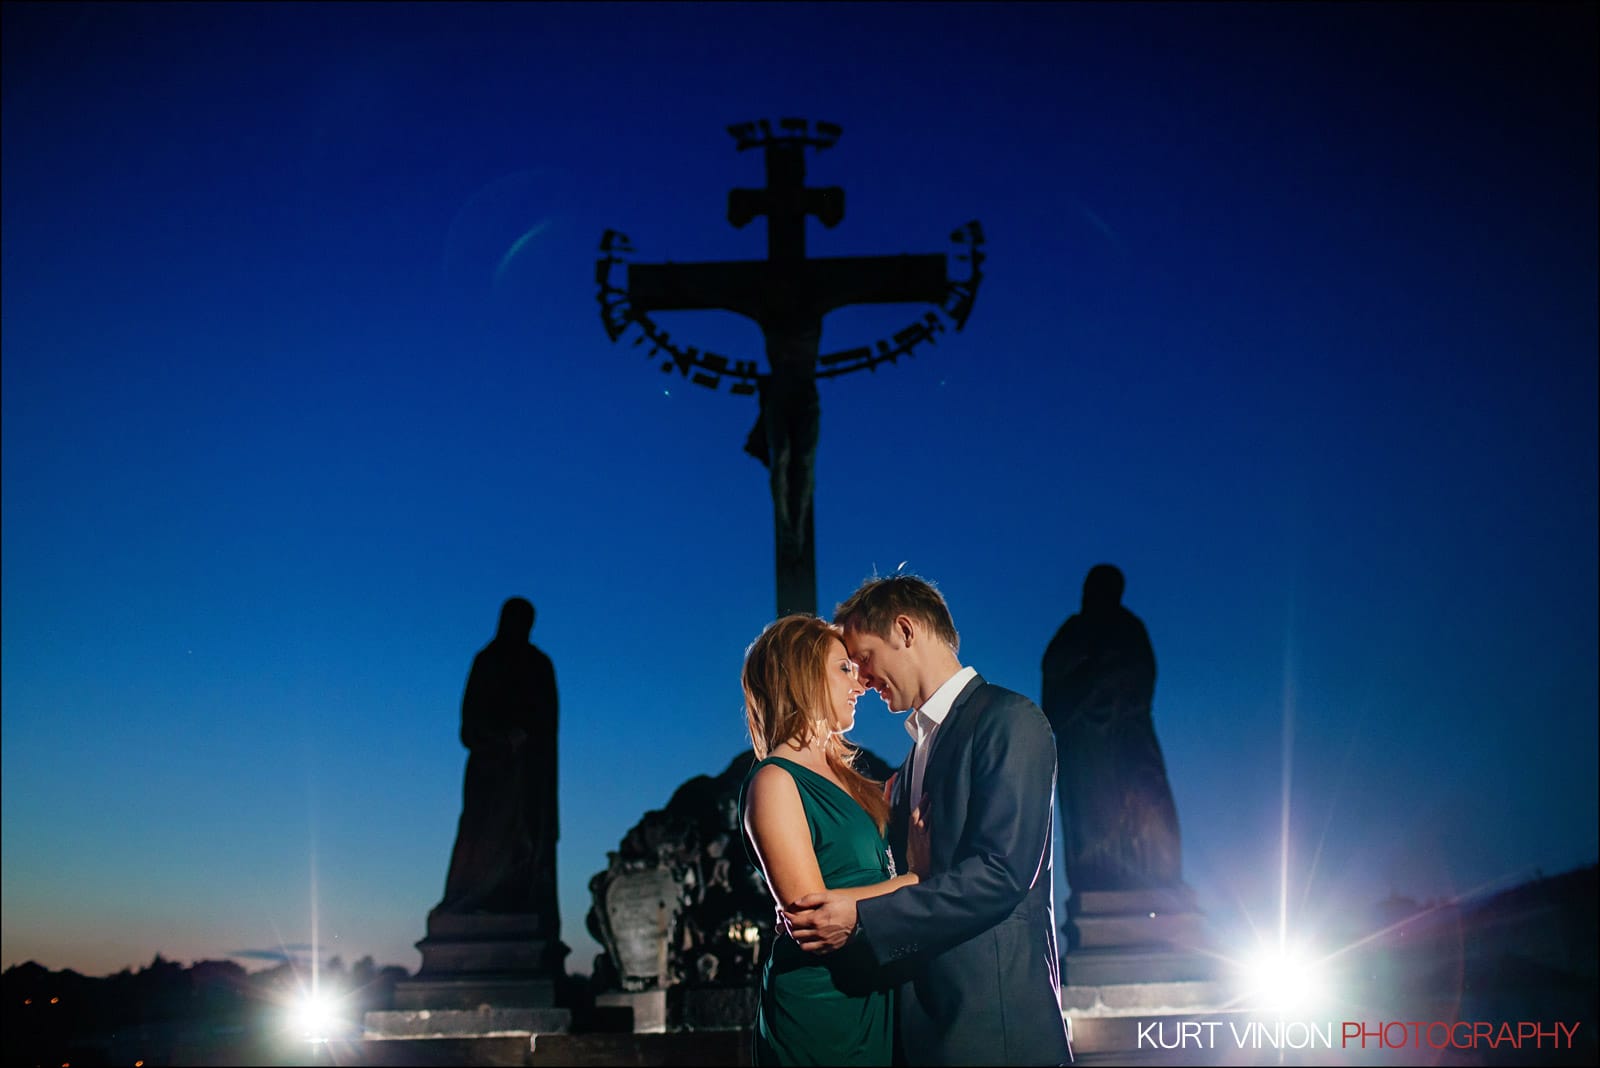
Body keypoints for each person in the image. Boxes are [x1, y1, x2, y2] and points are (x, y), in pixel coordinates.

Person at [784, 575, 1071, 1066]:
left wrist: (861, 918)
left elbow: (1000, 876)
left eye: (865, 659)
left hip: (995, 1031)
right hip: (926, 1033)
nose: (863, 679)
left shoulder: (1010, 719)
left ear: (904, 630)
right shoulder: (912, 759)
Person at [739, 613, 923, 1065]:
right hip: (820, 1007)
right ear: (800, 676)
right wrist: (918, 882)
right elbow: (813, 917)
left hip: (874, 990)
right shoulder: (775, 781)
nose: (860, 682)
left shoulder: (854, 779)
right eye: (844, 668)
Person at [1042, 564, 1181, 896]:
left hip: (1127, 737)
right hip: (1087, 747)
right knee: (1096, 815)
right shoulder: (1072, 633)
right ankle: (1099, 879)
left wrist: (1112, 692)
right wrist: (1091, 693)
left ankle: (1160, 875)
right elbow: (1055, 691)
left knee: (1149, 800)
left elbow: (1142, 678)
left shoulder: (1129, 628)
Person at [432, 596, 561, 942]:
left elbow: (548, 725)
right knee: (480, 835)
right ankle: (468, 899)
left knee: (523, 837)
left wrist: (526, 740)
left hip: (527, 775)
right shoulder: (487, 661)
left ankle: (512, 897)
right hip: (490, 772)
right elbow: (469, 724)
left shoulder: (538, 665)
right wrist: (501, 739)